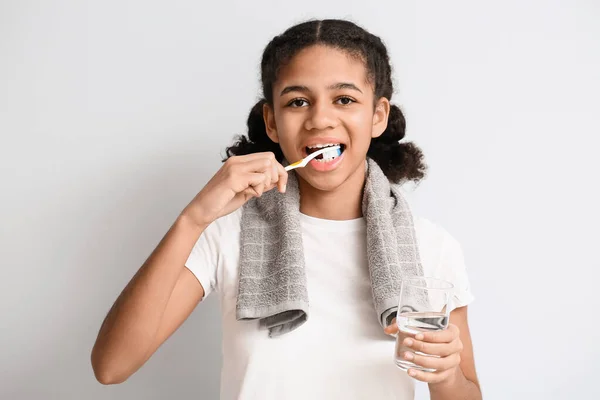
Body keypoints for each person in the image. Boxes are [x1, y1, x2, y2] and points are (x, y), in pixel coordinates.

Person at [91, 18, 482, 400]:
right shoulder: (228, 233)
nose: (320, 119)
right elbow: (112, 367)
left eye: (344, 99)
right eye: (298, 102)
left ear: (377, 116)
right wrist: (193, 219)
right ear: (272, 122)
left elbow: (467, 392)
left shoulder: (432, 248)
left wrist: (444, 376)